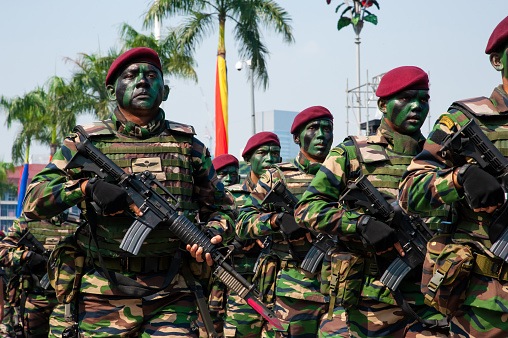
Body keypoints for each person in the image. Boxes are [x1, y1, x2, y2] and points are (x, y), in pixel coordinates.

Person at [22, 47, 235, 337]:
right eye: (131, 75)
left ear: (166, 90)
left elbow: (223, 208)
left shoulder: (189, 147)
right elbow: (34, 200)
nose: (143, 81)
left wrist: (212, 231)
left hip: (172, 292)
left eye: (151, 75)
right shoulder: (86, 143)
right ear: (112, 91)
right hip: (103, 293)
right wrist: (86, 187)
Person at [295, 67, 449, 338]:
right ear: (382, 105)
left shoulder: (440, 157)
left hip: (433, 296)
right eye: (405, 98)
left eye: (423, 99)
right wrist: (361, 224)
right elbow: (307, 209)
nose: (416, 106)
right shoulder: (352, 153)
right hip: (372, 301)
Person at [399, 16, 508, 337]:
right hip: (488, 307)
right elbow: (409, 192)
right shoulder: (466, 119)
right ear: (497, 60)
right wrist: (462, 178)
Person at [237, 106, 348, 338]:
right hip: (293, 291)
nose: (321, 135)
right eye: (314, 129)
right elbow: (243, 223)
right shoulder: (276, 176)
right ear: (297, 138)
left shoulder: (347, 176)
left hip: (342, 290)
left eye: (327, 129)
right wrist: (277, 220)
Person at [223, 132, 282, 338]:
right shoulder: (231, 196)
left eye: (275, 153)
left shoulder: (289, 195)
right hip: (243, 287)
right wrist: (237, 239)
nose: (270, 158)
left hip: (282, 287)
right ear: (248, 159)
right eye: (262, 152)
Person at [0, 214, 78, 338]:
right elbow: (2, 252)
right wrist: (26, 256)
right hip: (34, 298)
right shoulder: (25, 223)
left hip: (65, 300)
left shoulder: (76, 224)